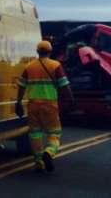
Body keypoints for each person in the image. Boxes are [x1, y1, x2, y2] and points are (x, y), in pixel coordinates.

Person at [16, 40, 74, 173]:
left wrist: (18, 102)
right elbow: (64, 84)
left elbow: (21, 85)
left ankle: (38, 163)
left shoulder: (29, 66)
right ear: (50, 52)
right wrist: (71, 100)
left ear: (37, 52)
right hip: (50, 105)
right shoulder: (55, 65)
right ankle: (48, 152)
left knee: (35, 134)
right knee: (54, 133)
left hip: (33, 105)